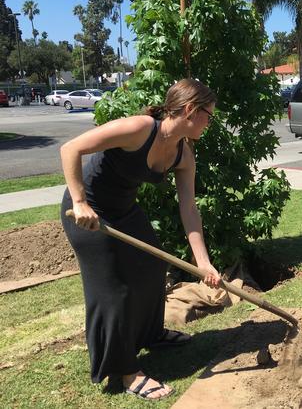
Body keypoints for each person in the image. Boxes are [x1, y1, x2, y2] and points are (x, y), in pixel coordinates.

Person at [60, 78, 221, 400]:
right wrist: (79, 202)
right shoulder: (139, 129)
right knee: (113, 290)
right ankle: (126, 371)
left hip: (124, 210)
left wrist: (203, 264)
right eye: (209, 115)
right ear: (190, 110)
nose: (210, 123)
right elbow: (70, 148)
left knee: (151, 267)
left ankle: (152, 333)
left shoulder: (183, 154)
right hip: (88, 212)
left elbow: (188, 210)